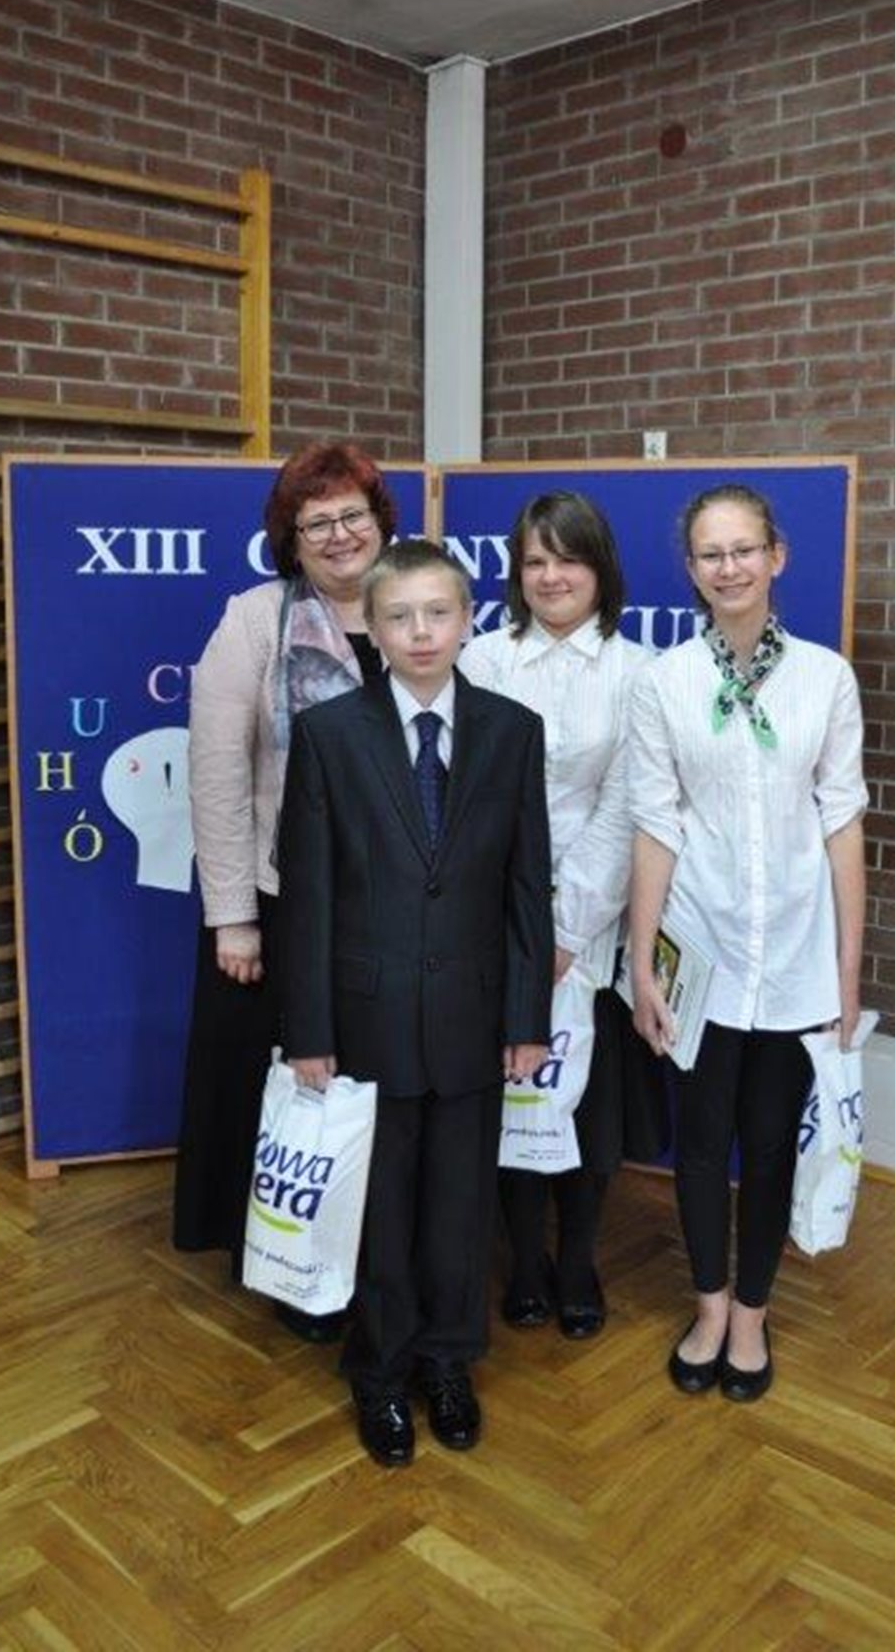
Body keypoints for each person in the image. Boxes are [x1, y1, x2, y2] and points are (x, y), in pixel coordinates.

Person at [277, 538, 553, 1467]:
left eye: (438, 612)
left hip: (475, 1016)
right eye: (399, 616)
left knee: (461, 1205)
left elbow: (527, 884)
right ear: (371, 626)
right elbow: (309, 895)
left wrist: (525, 1017)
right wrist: (309, 1029)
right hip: (367, 1018)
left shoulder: (512, 731)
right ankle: (382, 1369)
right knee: (383, 1206)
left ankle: (448, 1358)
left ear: (469, 618)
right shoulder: (330, 735)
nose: (421, 631)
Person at [628, 483, 867, 1402]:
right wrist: (643, 961)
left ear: (776, 556)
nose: (728, 567)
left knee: (769, 1146)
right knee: (699, 1144)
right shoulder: (666, 683)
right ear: (691, 569)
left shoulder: (825, 679)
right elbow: (656, 825)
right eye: (710, 553)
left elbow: (842, 824)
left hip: (798, 958)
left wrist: (846, 972)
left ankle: (754, 1316)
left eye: (743, 549)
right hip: (705, 952)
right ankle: (709, 1306)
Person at [172, 442, 395, 1344]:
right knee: (278, 1092)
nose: (339, 535)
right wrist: (233, 914)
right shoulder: (257, 620)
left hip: (390, 910)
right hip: (278, 900)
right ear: (291, 539)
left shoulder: (416, 604)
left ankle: (368, 1248)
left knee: (370, 1087)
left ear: (380, 523)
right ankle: (281, 1256)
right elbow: (218, 770)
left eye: (353, 515)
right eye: (317, 522)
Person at [461, 491, 663, 1338]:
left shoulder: (639, 673)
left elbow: (627, 809)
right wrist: (514, 923)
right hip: (486, 914)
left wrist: (566, 932)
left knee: (586, 1103)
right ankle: (525, 1260)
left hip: (592, 922)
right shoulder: (480, 659)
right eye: (534, 561)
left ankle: (577, 1256)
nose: (550, 576)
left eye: (567, 558)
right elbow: (465, 798)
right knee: (509, 1089)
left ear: (599, 568)